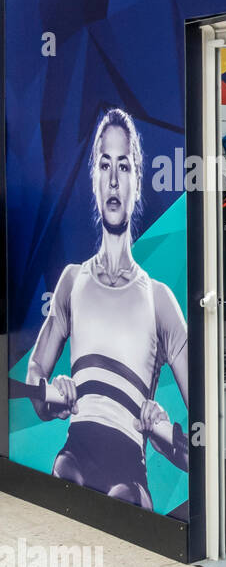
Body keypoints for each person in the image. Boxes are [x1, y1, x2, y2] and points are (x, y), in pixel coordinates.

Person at [24, 108, 188, 509]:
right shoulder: (71, 281)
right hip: (74, 454)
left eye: (125, 165)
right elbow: (34, 376)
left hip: (130, 471)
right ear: (94, 178)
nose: (114, 178)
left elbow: (204, 431)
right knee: (65, 480)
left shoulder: (160, 300)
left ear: (137, 180)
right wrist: (50, 396)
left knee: (124, 503)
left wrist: (164, 432)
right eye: (104, 164)